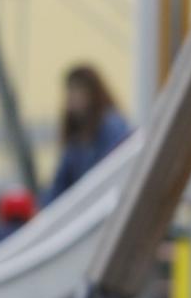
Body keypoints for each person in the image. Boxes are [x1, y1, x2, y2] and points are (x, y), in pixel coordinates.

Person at [44, 63, 131, 206]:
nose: (70, 98)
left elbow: (112, 172)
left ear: (92, 93)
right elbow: (58, 189)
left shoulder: (112, 126)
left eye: (76, 90)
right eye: (69, 91)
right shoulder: (75, 141)